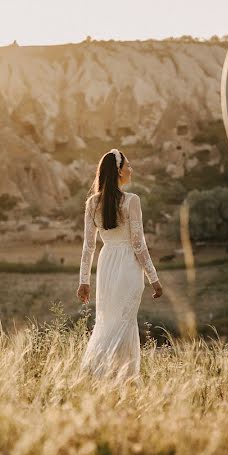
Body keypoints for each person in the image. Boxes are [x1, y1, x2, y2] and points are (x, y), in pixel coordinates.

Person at [76, 148, 163, 381]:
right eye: (128, 167)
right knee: (123, 321)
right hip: (128, 266)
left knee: (111, 321)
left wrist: (84, 281)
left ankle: (109, 374)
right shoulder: (132, 201)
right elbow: (139, 244)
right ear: (118, 171)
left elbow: (88, 247)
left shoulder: (92, 203)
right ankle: (114, 375)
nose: (131, 170)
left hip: (107, 264)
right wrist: (154, 279)